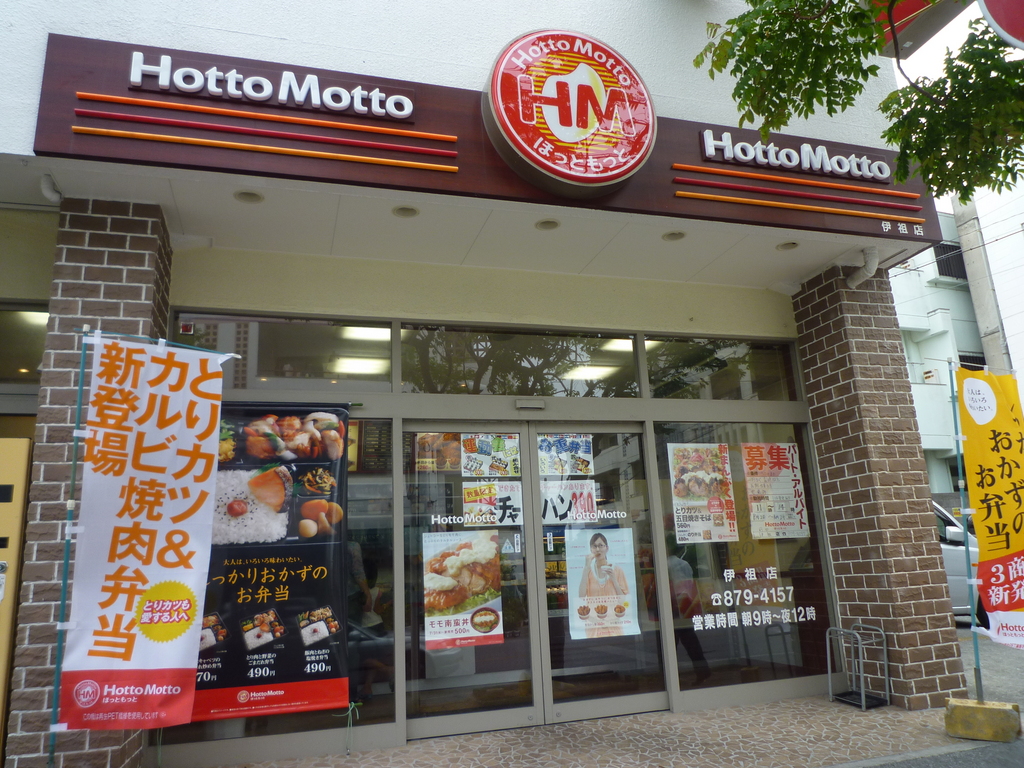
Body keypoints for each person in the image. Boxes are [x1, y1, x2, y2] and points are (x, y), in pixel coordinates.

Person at [667, 543, 711, 684]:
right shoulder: (684, 564)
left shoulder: (665, 564)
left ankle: (669, 678)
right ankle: (702, 670)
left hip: (672, 604)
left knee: (669, 642)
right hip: (685, 603)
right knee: (689, 639)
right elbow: (690, 583)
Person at [578, 532, 628, 598]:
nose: (597, 549)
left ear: (607, 548)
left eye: (600, 545)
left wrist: (614, 579)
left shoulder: (617, 570)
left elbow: (623, 600)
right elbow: (581, 596)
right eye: (594, 546)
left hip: (614, 605)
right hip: (594, 605)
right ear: (591, 549)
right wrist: (586, 567)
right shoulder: (588, 570)